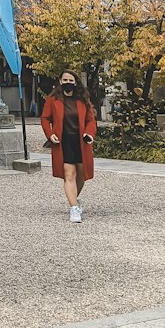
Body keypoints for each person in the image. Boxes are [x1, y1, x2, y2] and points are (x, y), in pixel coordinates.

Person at [40, 70, 97, 223]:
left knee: (81, 175)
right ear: (60, 81)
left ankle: (75, 200)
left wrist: (89, 134)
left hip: (81, 141)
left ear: (76, 82)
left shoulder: (83, 100)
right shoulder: (53, 99)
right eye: (64, 79)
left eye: (70, 80)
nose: (67, 82)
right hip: (63, 142)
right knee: (68, 174)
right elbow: (45, 118)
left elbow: (91, 120)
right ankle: (74, 209)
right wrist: (50, 133)